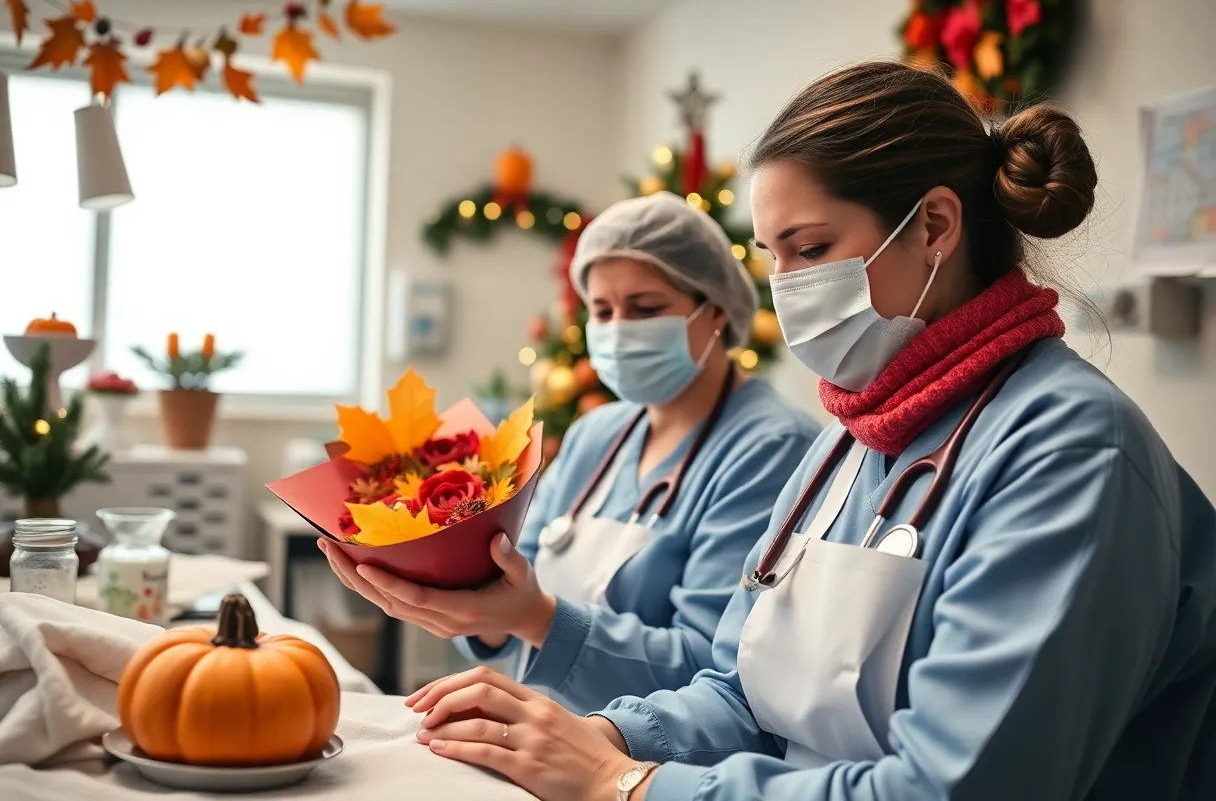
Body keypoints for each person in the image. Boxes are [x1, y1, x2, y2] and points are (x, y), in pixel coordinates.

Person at [399, 61, 1216, 801]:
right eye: (772, 257)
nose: (785, 289)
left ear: (934, 225)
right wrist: (606, 735)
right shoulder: (854, 433)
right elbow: (740, 684)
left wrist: (630, 783)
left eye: (811, 249)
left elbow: (955, 788)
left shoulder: (1070, 452)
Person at [320, 191, 821, 715]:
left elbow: (719, 671)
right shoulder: (596, 434)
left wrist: (535, 617)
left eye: (646, 309)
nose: (619, 328)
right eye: (602, 311)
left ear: (716, 310)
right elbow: (515, 580)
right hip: (540, 732)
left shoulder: (770, 450)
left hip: (649, 765)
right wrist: (475, 611)